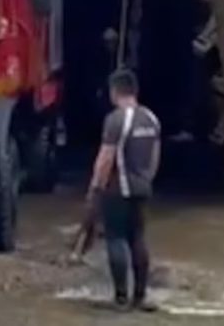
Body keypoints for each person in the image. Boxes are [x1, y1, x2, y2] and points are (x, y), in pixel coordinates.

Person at [87, 68, 160, 311]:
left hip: (118, 189)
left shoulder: (116, 119)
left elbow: (106, 157)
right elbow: (154, 157)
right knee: (138, 237)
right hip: (143, 188)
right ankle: (140, 296)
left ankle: (120, 297)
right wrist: (147, 179)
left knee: (115, 238)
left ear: (114, 91)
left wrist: (96, 187)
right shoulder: (150, 118)